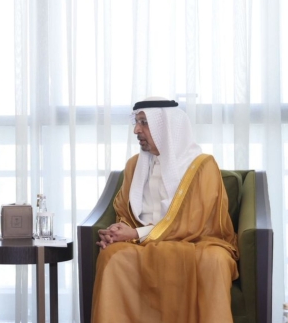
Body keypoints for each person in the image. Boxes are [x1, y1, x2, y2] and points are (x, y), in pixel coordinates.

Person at [91, 97, 238, 323]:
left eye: (144, 122)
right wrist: (117, 232)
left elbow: (194, 224)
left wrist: (135, 233)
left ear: (167, 127)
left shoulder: (203, 166)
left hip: (196, 242)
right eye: (136, 122)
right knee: (112, 256)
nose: (136, 130)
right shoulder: (134, 165)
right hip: (142, 244)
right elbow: (125, 210)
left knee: (214, 261)